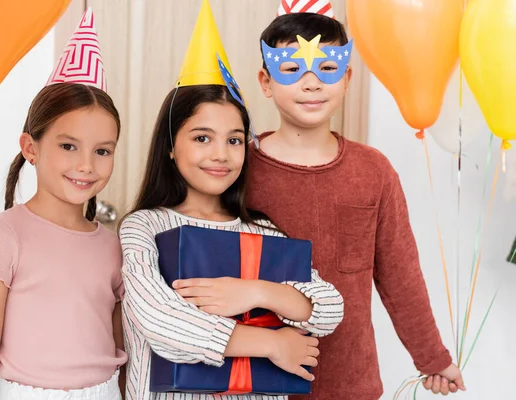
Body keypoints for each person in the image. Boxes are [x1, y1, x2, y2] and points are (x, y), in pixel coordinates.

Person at [119, 1, 343, 399]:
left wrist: (256, 292)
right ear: (171, 145)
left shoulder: (261, 230)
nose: (221, 154)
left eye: (234, 140)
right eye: (202, 137)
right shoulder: (146, 227)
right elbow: (160, 320)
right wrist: (273, 343)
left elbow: (328, 308)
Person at [246, 2, 466, 399]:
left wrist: (433, 358)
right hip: (254, 382)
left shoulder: (374, 171)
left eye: (327, 69)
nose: (311, 83)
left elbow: (401, 275)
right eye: (291, 69)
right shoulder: (237, 167)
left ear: (347, 78)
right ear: (266, 81)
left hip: (351, 384)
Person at [0, 9, 127, 400]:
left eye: (102, 150)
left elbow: (119, 346)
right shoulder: (4, 237)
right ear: (31, 148)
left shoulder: (112, 246)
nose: (86, 165)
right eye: (68, 146)